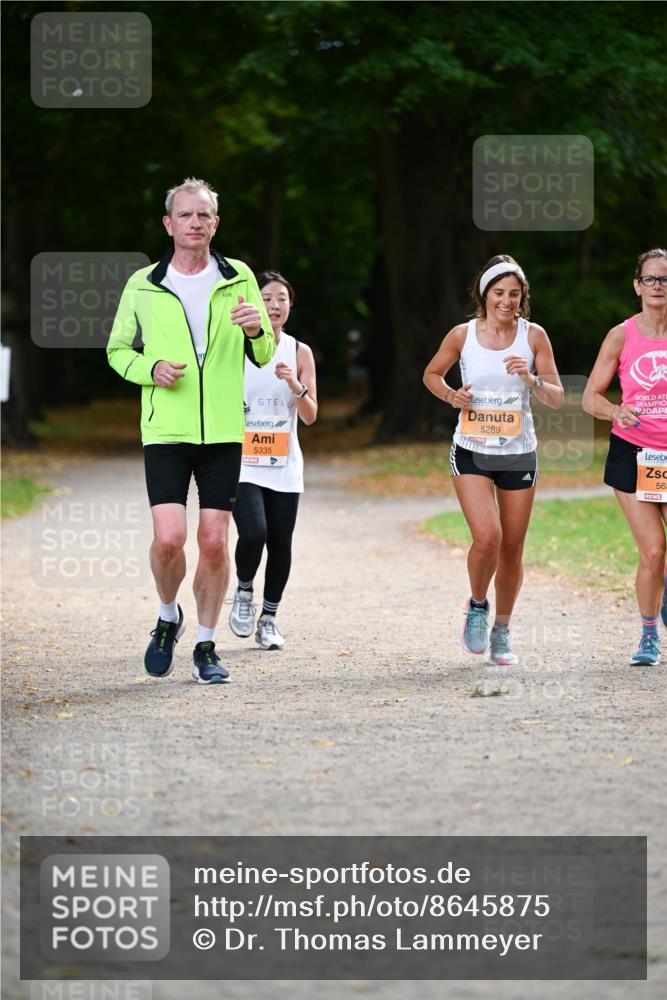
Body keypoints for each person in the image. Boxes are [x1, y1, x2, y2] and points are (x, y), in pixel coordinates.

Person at [107, 177, 275, 684]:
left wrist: (254, 329)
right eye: (186, 215)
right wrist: (149, 368)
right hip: (166, 430)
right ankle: (166, 616)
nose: (195, 223)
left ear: (215, 223)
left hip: (223, 430)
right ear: (169, 224)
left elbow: (264, 352)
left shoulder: (238, 275)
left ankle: (205, 644)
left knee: (215, 542)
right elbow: (117, 351)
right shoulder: (143, 283)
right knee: (168, 540)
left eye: (204, 215)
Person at [423, 255, 564, 665]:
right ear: (484, 294)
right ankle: (478, 605)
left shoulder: (534, 336)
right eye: (499, 293)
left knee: (512, 549)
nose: (506, 301)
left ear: (523, 298)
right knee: (488, 537)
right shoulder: (462, 335)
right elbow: (432, 375)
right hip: (471, 450)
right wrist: (452, 395)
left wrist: (531, 378)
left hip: (519, 452)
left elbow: (556, 396)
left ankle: (502, 629)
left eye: (514, 294)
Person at [582, 248, 667, 666]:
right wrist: (616, 410)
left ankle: (662, 589)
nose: (657, 287)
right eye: (650, 279)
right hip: (634, 452)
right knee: (653, 550)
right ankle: (649, 636)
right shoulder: (621, 335)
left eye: (664, 280)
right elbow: (589, 397)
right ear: (637, 286)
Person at [228, 271, 317, 649]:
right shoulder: (232, 347)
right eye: (266, 298)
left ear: (290, 306)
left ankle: (269, 618)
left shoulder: (299, 351)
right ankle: (244, 589)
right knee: (254, 532)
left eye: (282, 298)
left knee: (280, 541)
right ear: (253, 305)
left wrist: (296, 387)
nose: (275, 305)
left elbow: (311, 415)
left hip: (284, 463)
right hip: (243, 459)